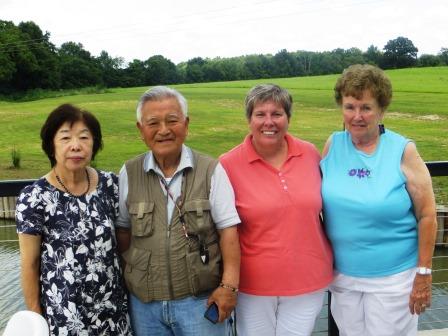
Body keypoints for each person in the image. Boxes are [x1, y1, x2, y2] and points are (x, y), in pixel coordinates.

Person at [320, 64, 437, 335]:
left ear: (381, 109)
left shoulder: (402, 150)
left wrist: (424, 274)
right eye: (350, 107)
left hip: (393, 279)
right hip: (343, 277)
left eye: (366, 107)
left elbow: (427, 215)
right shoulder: (333, 145)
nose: (357, 116)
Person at [116, 86, 241, 336]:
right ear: (141, 130)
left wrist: (229, 287)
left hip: (200, 302)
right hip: (145, 306)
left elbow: (229, 233)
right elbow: (123, 233)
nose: (163, 130)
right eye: (153, 123)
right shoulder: (128, 173)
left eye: (172, 121)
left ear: (186, 124)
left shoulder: (211, 170)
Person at [219, 84, 333, 336]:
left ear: (288, 118)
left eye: (277, 114)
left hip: (308, 278)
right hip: (252, 285)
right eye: (260, 114)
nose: (268, 122)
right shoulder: (227, 164)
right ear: (249, 119)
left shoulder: (310, 153)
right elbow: (225, 230)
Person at [15, 104, 132, 335]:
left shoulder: (111, 185)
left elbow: (123, 245)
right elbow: (30, 263)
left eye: (84, 137)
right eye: (65, 138)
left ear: (94, 144)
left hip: (112, 307)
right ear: (51, 145)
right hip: (65, 314)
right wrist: (36, 317)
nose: (75, 146)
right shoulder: (35, 196)